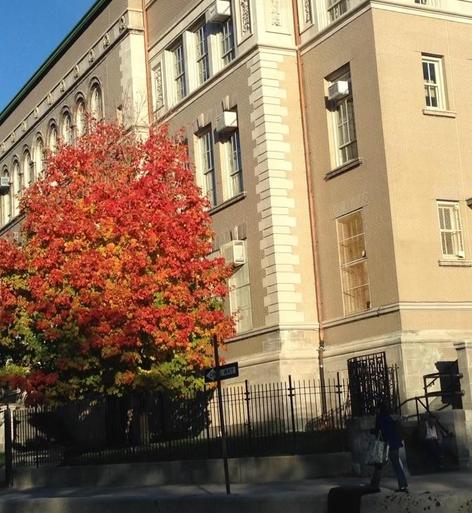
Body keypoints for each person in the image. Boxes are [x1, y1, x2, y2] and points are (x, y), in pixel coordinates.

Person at [369, 403, 408, 493]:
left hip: (385, 444)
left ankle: (374, 484)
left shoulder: (380, 418)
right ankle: (403, 484)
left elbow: (378, 430)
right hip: (394, 444)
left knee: (379, 465)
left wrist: (372, 431)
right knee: (396, 465)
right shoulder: (391, 418)